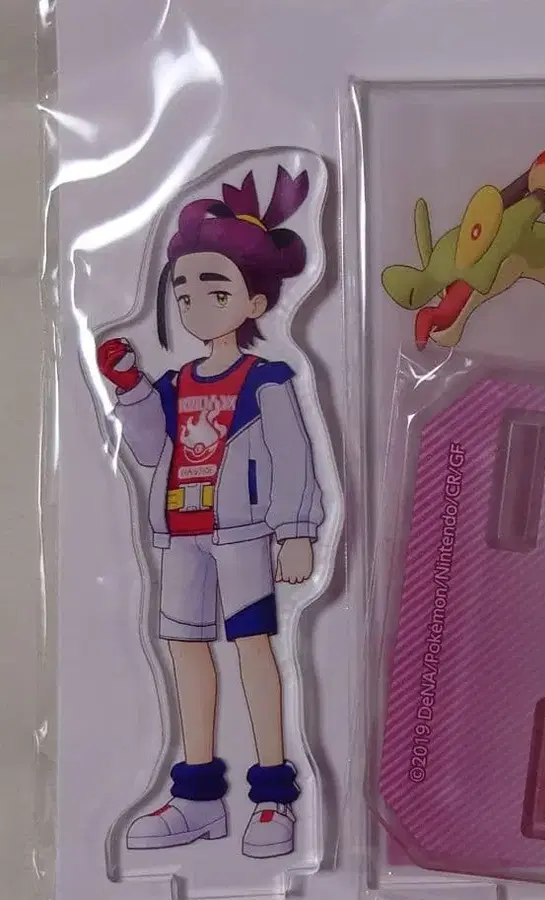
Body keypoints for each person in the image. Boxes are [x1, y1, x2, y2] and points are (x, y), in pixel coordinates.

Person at [96, 167, 325, 859]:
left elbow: (294, 457)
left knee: (254, 649)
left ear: (254, 302)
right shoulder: (175, 383)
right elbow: (146, 450)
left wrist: (296, 531)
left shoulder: (266, 380)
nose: (196, 305)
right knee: (186, 651)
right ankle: (197, 797)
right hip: (181, 537)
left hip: (244, 536)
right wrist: (131, 388)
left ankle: (273, 797)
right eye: (185, 292)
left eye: (215, 291)